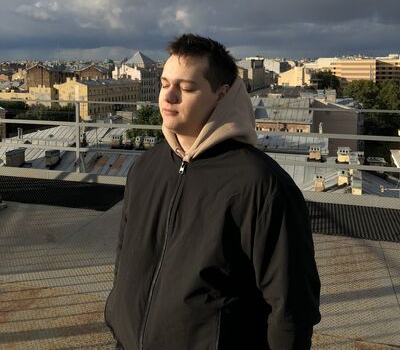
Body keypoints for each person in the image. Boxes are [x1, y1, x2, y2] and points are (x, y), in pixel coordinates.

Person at [105, 34, 321, 350]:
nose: (169, 96)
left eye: (186, 88)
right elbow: (125, 258)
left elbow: (292, 307)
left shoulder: (260, 184)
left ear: (221, 95)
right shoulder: (146, 167)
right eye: (165, 84)